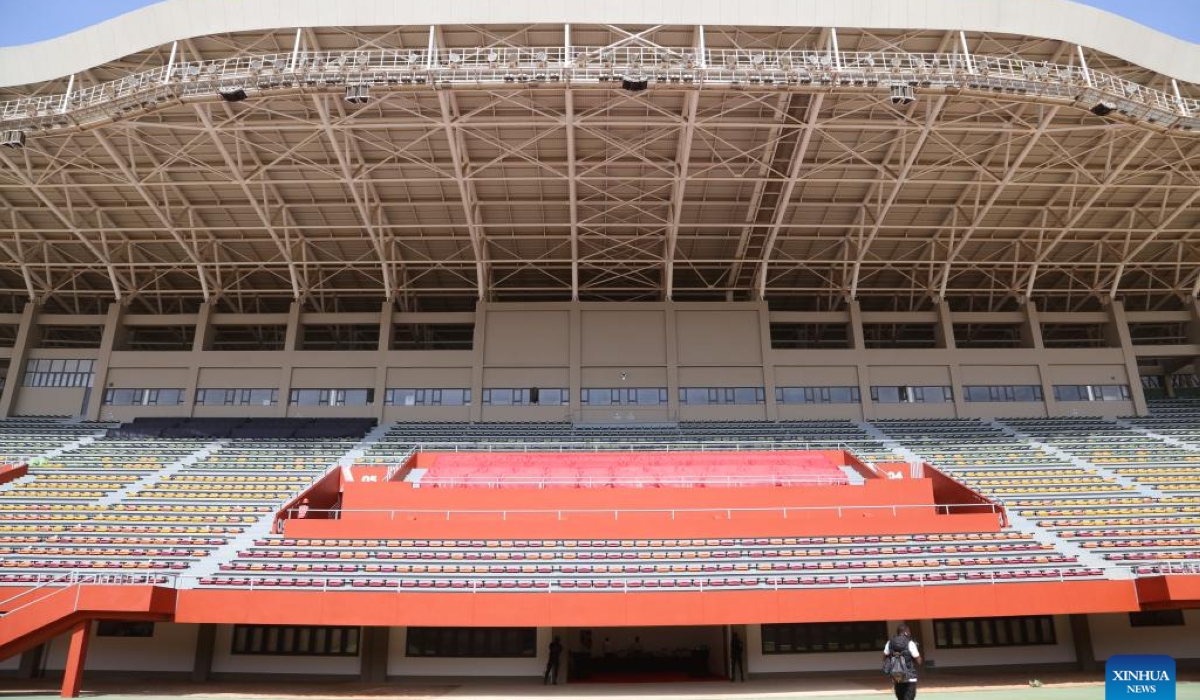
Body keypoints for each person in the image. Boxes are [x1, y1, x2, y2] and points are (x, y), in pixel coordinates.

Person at [882, 623, 922, 700]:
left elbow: (884, 657)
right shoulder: (910, 643)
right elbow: (919, 661)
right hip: (909, 677)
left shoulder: (889, 643)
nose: (910, 633)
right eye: (909, 631)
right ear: (906, 632)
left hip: (897, 677)